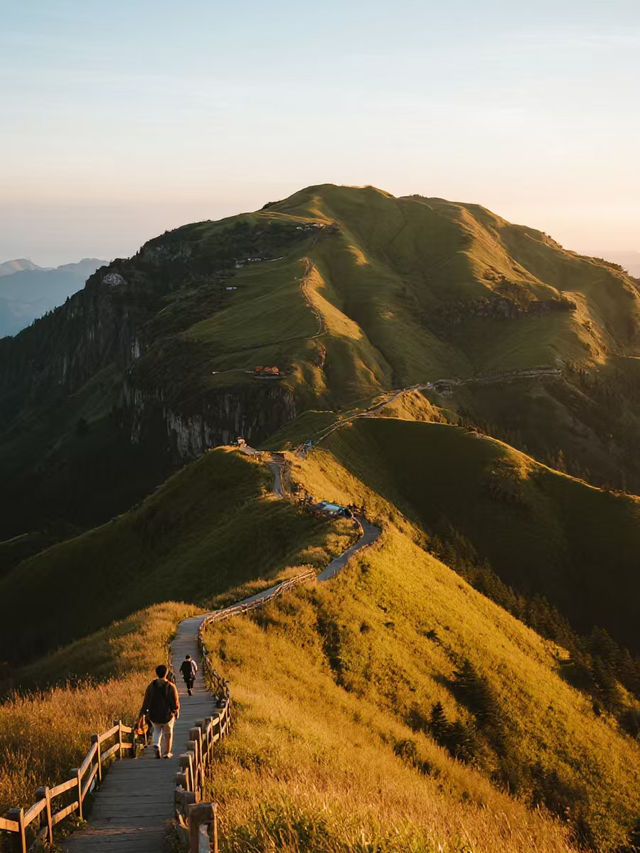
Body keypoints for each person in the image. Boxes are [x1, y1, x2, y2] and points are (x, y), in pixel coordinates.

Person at [139, 664, 180, 759]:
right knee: (168, 733)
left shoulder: (151, 686)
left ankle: (157, 744)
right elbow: (175, 702)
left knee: (156, 730)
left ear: (156, 673)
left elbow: (146, 701)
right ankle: (167, 752)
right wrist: (176, 711)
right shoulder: (171, 686)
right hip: (167, 715)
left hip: (154, 715)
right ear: (166, 673)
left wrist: (142, 713)